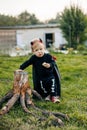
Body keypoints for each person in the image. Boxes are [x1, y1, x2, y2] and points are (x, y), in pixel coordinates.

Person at [19, 38, 61, 103]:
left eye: (41, 49)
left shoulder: (48, 56)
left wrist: (49, 65)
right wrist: (21, 68)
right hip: (40, 77)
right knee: (42, 88)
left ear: (44, 49)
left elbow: (53, 63)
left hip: (50, 76)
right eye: (37, 50)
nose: (39, 51)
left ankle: (54, 97)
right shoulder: (34, 58)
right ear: (33, 52)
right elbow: (27, 63)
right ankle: (47, 95)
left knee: (52, 85)